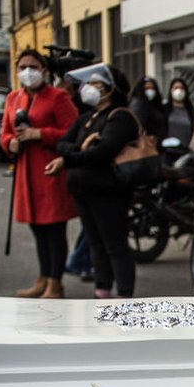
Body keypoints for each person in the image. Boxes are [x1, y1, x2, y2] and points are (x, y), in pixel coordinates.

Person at [46, 64, 140, 298]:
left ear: (111, 89)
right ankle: (102, 294)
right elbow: (63, 144)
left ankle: (125, 299)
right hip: (83, 189)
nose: (89, 88)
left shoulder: (120, 117)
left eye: (97, 84)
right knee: (96, 245)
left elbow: (102, 153)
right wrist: (81, 147)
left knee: (115, 245)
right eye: (89, 84)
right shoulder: (86, 117)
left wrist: (68, 160)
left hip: (109, 192)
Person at [0, 49, 79, 298]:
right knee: (37, 229)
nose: (27, 71)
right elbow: (5, 132)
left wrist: (40, 134)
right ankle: (43, 277)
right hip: (25, 173)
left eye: (32, 66)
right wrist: (10, 143)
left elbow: (73, 132)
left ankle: (55, 282)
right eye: (22, 66)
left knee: (54, 229)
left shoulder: (58, 97)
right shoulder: (13, 98)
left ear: (44, 70)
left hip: (50, 171)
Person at [164, 78, 194, 147]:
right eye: (176, 88)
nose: (179, 90)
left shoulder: (189, 110)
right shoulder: (165, 109)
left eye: (181, 88)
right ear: (171, 90)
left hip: (184, 148)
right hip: (167, 149)